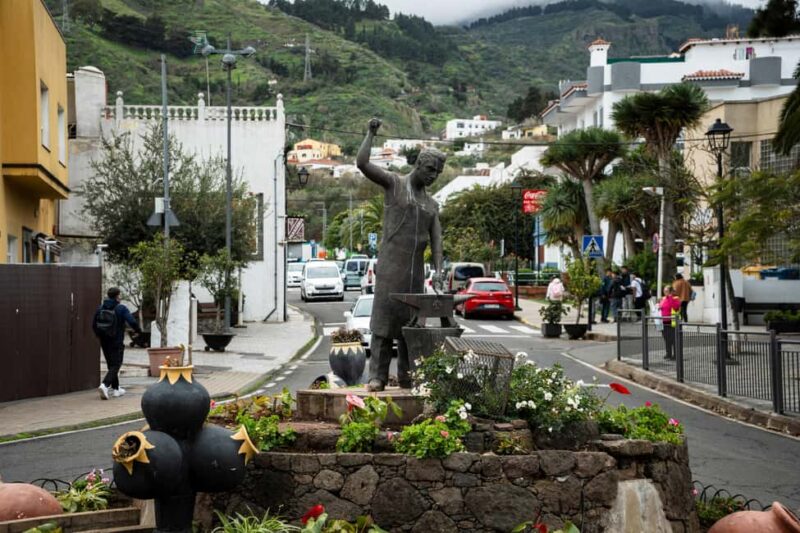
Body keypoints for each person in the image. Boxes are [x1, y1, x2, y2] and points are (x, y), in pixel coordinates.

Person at [356, 118, 446, 392]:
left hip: (415, 273)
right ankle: (378, 377)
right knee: (383, 325)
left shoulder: (431, 204)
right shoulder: (394, 184)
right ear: (418, 164)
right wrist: (370, 134)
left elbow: (437, 239)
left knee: (411, 328)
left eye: (438, 172)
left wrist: (439, 271)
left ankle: (407, 376)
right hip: (391, 268)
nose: (433, 175)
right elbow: (362, 164)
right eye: (430, 169)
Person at [93, 287, 142, 400]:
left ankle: (116, 389)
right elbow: (132, 321)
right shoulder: (121, 308)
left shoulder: (100, 308)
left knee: (111, 364)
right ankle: (105, 385)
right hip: (116, 341)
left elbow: (94, 324)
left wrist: (99, 336)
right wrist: (138, 331)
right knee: (116, 364)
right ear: (117, 296)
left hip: (104, 341)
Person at [658, 286, 682, 360]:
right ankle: (668, 353)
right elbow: (661, 307)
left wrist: (670, 297)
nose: (665, 293)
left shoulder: (676, 298)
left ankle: (676, 355)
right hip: (663, 321)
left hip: (672, 322)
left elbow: (676, 307)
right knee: (666, 339)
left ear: (671, 292)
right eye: (664, 291)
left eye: (667, 291)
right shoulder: (663, 299)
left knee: (674, 339)